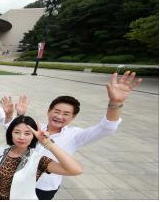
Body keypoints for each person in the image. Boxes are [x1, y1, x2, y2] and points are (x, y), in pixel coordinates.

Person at [29, 71, 142, 200]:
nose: (59, 116)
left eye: (66, 114)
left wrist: (115, 102)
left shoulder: (75, 135)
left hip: (44, 187)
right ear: (49, 111)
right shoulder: (37, 128)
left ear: (73, 117)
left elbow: (106, 128)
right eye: (57, 111)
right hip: (22, 179)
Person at [0, 115, 82, 200]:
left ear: (33, 136)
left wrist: (47, 143)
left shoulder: (37, 159)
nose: (21, 137)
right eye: (17, 132)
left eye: (27, 133)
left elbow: (75, 170)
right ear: (10, 133)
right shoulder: (2, 150)